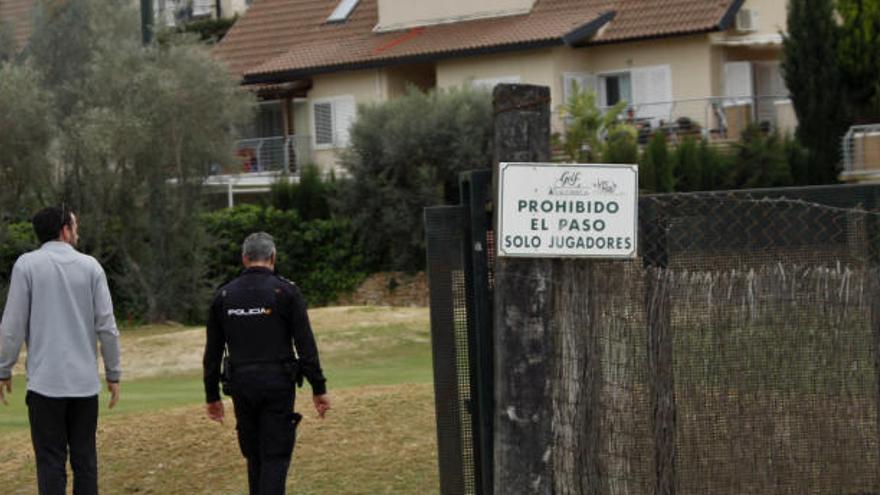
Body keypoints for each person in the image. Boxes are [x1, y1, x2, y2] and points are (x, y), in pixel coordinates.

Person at [0, 206, 121, 495]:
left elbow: (12, 325)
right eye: (74, 227)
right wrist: (113, 373)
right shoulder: (91, 266)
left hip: (45, 385)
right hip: (84, 385)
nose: (77, 232)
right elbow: (107, 326)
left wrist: (4, 368)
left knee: (50, 463)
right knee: (85, 462)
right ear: (64, 230)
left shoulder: (26, 265)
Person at [203, 232, 330, 495]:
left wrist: (211, 395)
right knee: (275, 456)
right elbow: (305, 345)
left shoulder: (224, 296)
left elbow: (212, 352)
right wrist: (319, 387)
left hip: (241, 385)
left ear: (244, 258)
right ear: (273, 257)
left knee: (255, 456)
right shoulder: (286, 292)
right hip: (278, 385)